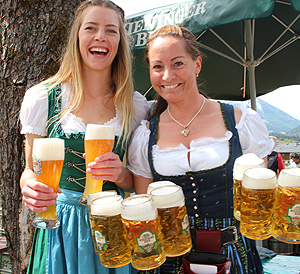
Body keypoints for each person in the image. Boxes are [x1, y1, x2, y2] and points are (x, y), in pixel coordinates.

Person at [128, 25, 274, 274]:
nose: (167, 76)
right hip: (168, 262)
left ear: (197, 64)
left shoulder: (241, 121)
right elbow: (146, 213)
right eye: (157, 67)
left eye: (177, 64)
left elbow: (260, 200)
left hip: (231, 256)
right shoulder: (145, 135)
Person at [19, 1, 149, 273]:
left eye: (111, 31)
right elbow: (30, 171)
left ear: (119, 43)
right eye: (91, 28)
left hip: (112, 224)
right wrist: (29, 188)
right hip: (60, 226)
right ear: (77, 36)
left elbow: (134, 182)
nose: (100, 36)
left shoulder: (134, 105)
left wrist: (119, 173)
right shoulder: (43, 98)